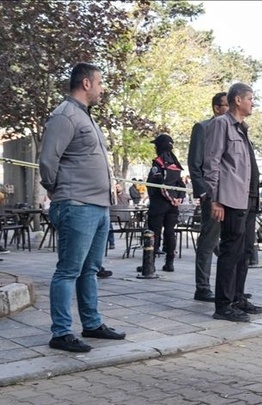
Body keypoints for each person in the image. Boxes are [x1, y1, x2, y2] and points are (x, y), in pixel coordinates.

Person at [39, 62, 126, 353]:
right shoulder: (64, 115)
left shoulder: (85, 116)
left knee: (90, 270)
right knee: (68, 270)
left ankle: (92, 324)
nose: (102, 89)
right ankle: (61, 332)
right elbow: (48, 160)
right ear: (86, 83)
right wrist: (55, 189)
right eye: (100, 83)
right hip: (76, 204)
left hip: (98, 206)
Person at [203, 82, 262, 322]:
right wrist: (215, 199)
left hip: (248, 197)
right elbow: (212, 162)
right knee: (230, 250)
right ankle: (223, 304)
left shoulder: (242, 128)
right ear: (238, 100)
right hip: (230, 198)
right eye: (250, 98)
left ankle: (238, 297)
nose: (252, 103)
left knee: (245, 250)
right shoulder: (221, 124)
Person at [187, 92, 228, 302]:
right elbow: (194, 163)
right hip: (212, 195)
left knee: (228, 243)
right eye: (226, 105)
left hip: (232, 195)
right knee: (209, 240)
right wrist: (204, 193)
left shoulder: (235, 129)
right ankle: (202, 287)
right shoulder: (203, 128)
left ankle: (231, 286)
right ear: (216, 108)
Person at [146, 133, 186, 272]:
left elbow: (159, 184)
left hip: (159, 205)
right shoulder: (175, 163)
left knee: (154, 233)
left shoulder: (159, 163)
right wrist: (179, 198)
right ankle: (169, 263)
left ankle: (149, 264)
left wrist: (170, 198)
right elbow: (181, 184)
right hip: (173, 206)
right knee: (170, 233)